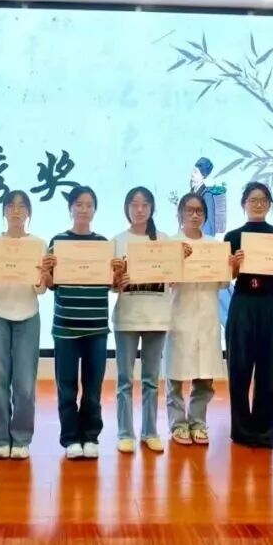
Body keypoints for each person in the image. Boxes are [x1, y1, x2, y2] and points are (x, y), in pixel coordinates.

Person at [44, 186, 121, 460]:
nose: (84, 209)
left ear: (95, 210)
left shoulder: (104, 245)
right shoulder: (57, 242)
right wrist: (46, 271)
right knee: (66, 387)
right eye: (78, 204)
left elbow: (112, 284)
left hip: (96, 327)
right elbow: (50, 284)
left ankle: (90, 436)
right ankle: (70, 438)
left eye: (89, 205)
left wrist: (117, 273)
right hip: (65, 327)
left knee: (92, 388)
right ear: (71, 208)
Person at [223, 182, 273, 448]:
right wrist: (234, 265)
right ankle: (241, 430)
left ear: (270, 204)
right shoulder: (233, 236)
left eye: (263, 200)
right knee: (239, 368)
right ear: (243, 204)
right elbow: (227, 276)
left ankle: (264, 431)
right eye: (252, 200)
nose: (258, 204)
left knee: (269, 370)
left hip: (271, 303)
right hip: (243, 303)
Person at [0, 190, 47, 460]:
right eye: (11, 205)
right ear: (4, 211)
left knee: (25, 383)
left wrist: (42, 277)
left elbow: (40, 290)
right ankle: (1, 438)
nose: (16, 211)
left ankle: (21, 438)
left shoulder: (38, 245)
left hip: (28, 316)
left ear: (29, 212)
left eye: (22, 206)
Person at [112, 186, 170, 453]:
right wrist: (117, 280)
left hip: (157, 317)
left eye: (145, 204)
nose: (139, 209)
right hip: (127, 316)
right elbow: (111, 285)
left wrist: (181, 261)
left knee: (150, 379)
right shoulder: (117, 241)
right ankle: (125, 433)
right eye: (134, 204)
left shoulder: (164, 240)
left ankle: (150, 431)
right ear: (126, 208)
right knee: (124, 379)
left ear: (152, 208)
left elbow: (174, 278)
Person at [165, 193, 225, 446]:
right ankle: (178, 423)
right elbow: (165, 282)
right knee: (176, 374)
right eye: (189, 210)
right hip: (179, 316)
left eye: (199, 210)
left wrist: (230, 265)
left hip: (208, 317)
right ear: (180, 214)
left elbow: (223, 282)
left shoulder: (214, 245)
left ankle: (198, 421)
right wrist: (176, 262)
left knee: (204, 376)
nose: (194, 215)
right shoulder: (170, 244)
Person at [190, 158, 226, 237]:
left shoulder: (207, 196)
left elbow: (209, 223)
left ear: (203, 176)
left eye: (195, 172)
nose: (192, 174)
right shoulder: (192, 193)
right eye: (193, 171)